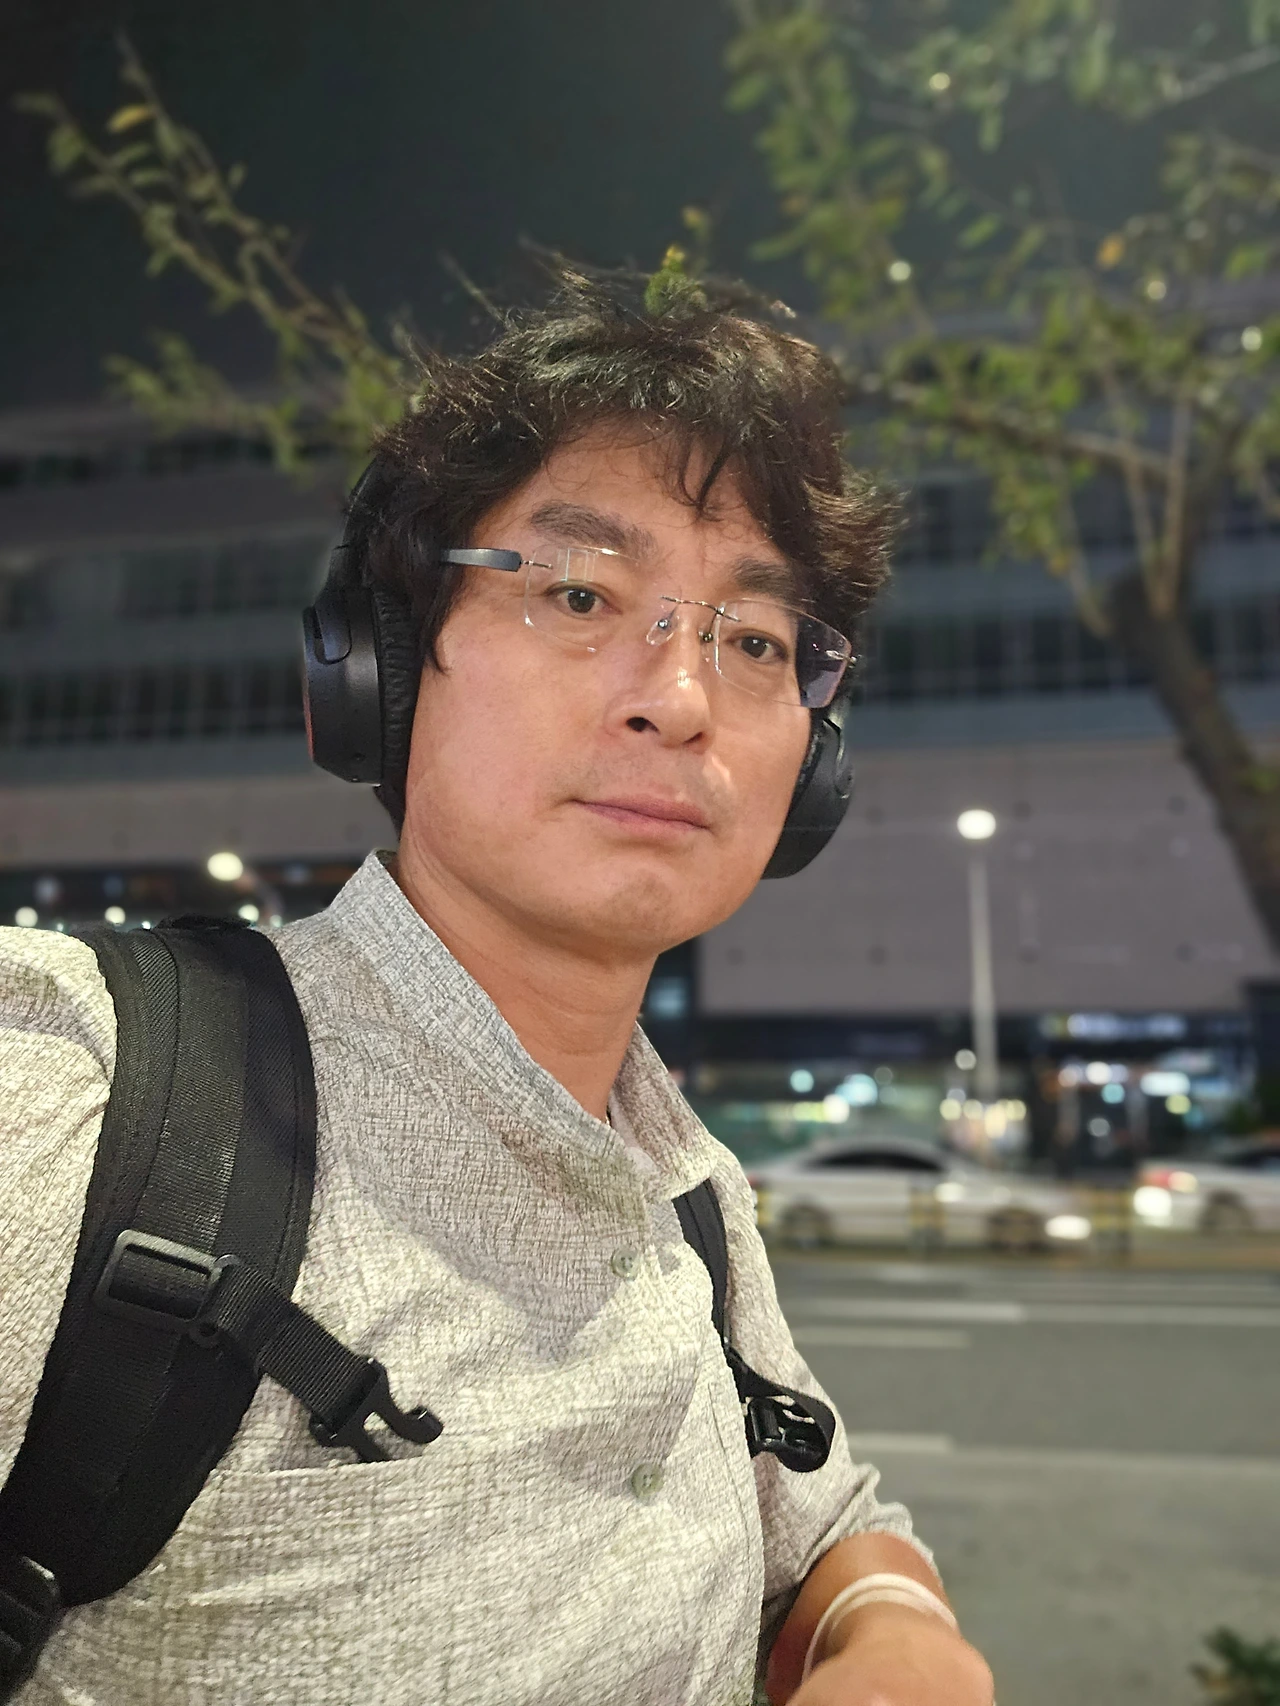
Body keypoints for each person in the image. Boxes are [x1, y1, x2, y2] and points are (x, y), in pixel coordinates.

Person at [0, 277, 994, 1706]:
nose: (681, 697)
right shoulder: (78, 1095)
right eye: (579, 595)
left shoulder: (685, 1191)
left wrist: (894, 1627)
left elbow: (824, 1514)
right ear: (383, 670)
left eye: (756, 641)